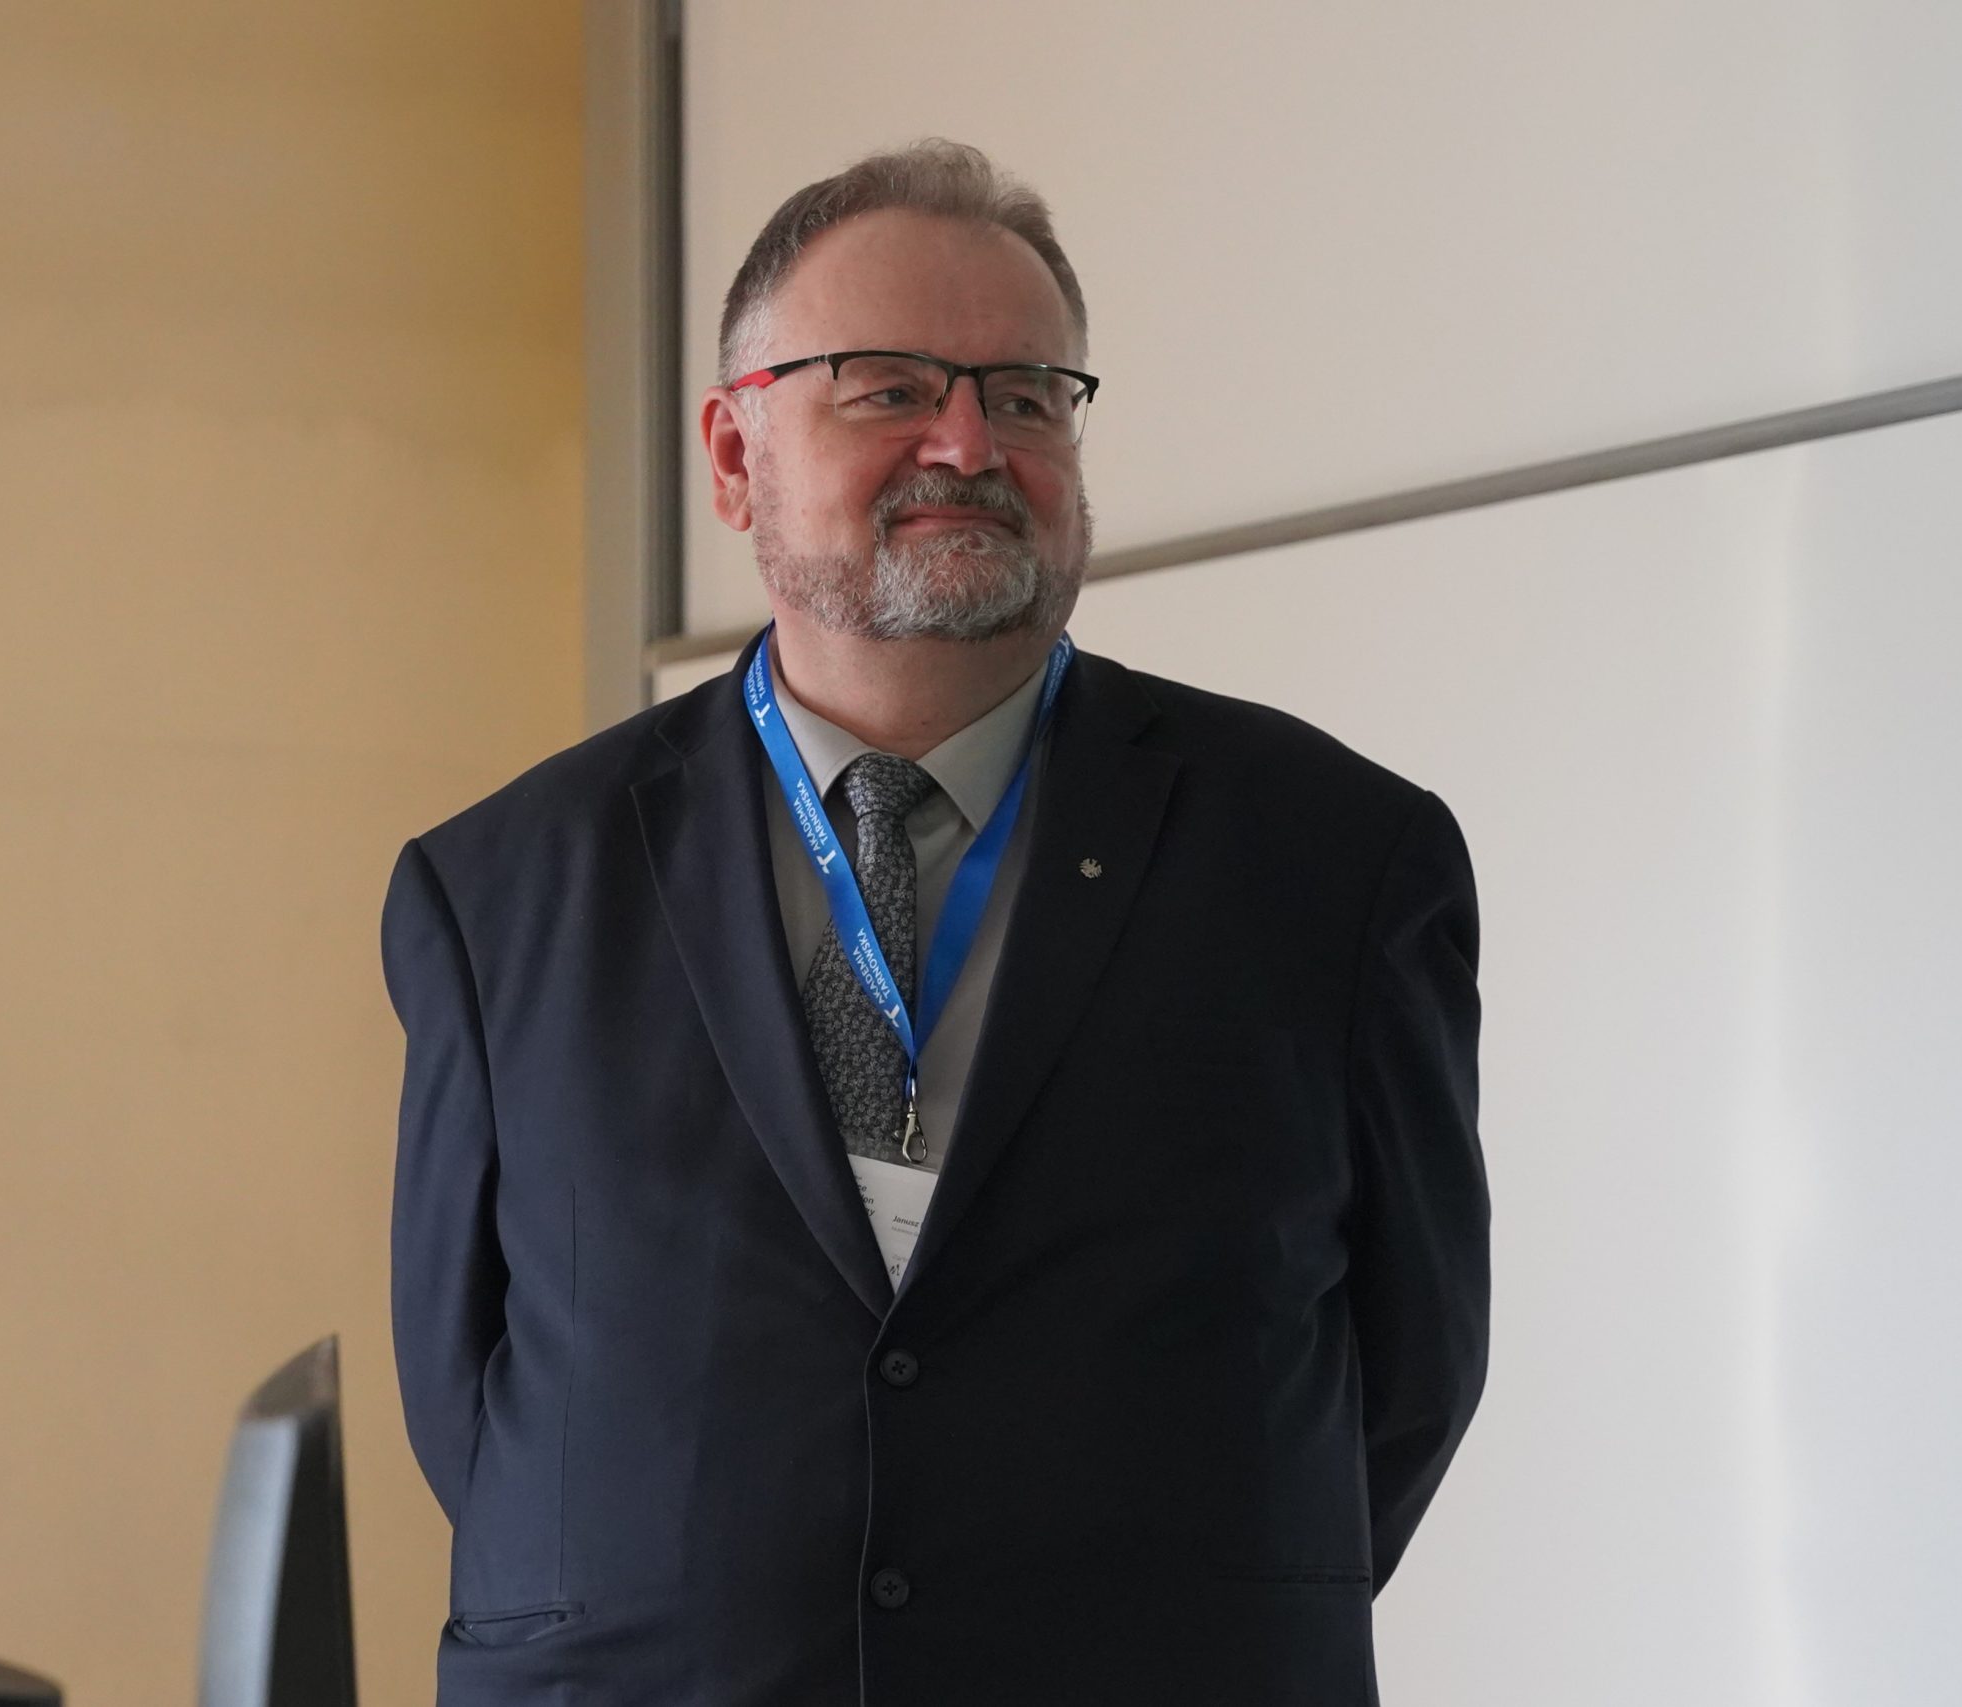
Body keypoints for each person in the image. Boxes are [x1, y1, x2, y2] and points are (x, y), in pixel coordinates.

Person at [382, 139, 1489, 1707]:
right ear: (733, 453)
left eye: (1026, 396)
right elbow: (472, 1401)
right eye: (889, 388)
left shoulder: (1334, 859)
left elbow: (1411, 1373)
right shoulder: (499, 892)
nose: (967, 444)